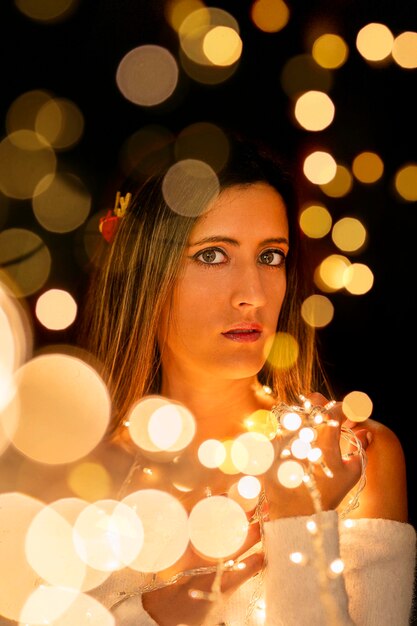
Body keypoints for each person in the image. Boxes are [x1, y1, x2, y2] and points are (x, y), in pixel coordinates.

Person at [80, 131, 416, 625]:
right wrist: (147, 615)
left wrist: (302, 523)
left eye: (270, 256)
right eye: (213, 255)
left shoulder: (349, 458)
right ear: (143, 269)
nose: (253, 294)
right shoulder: (69, 479)